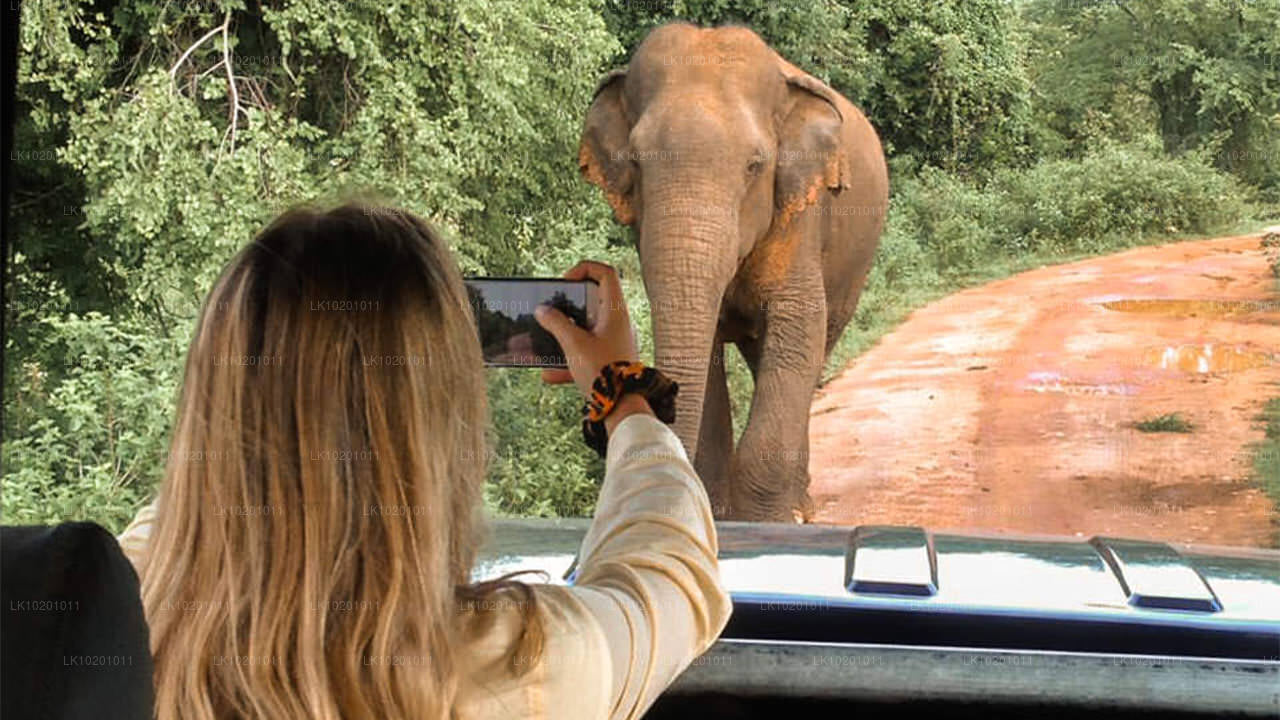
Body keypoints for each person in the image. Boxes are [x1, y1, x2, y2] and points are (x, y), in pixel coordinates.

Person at [115, 204, 731, 719]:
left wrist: (270, 394)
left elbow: (196, 503)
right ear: (441, 430)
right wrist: (619, 394)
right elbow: (668, 571)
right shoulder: (526, 666)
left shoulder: (116, 627)